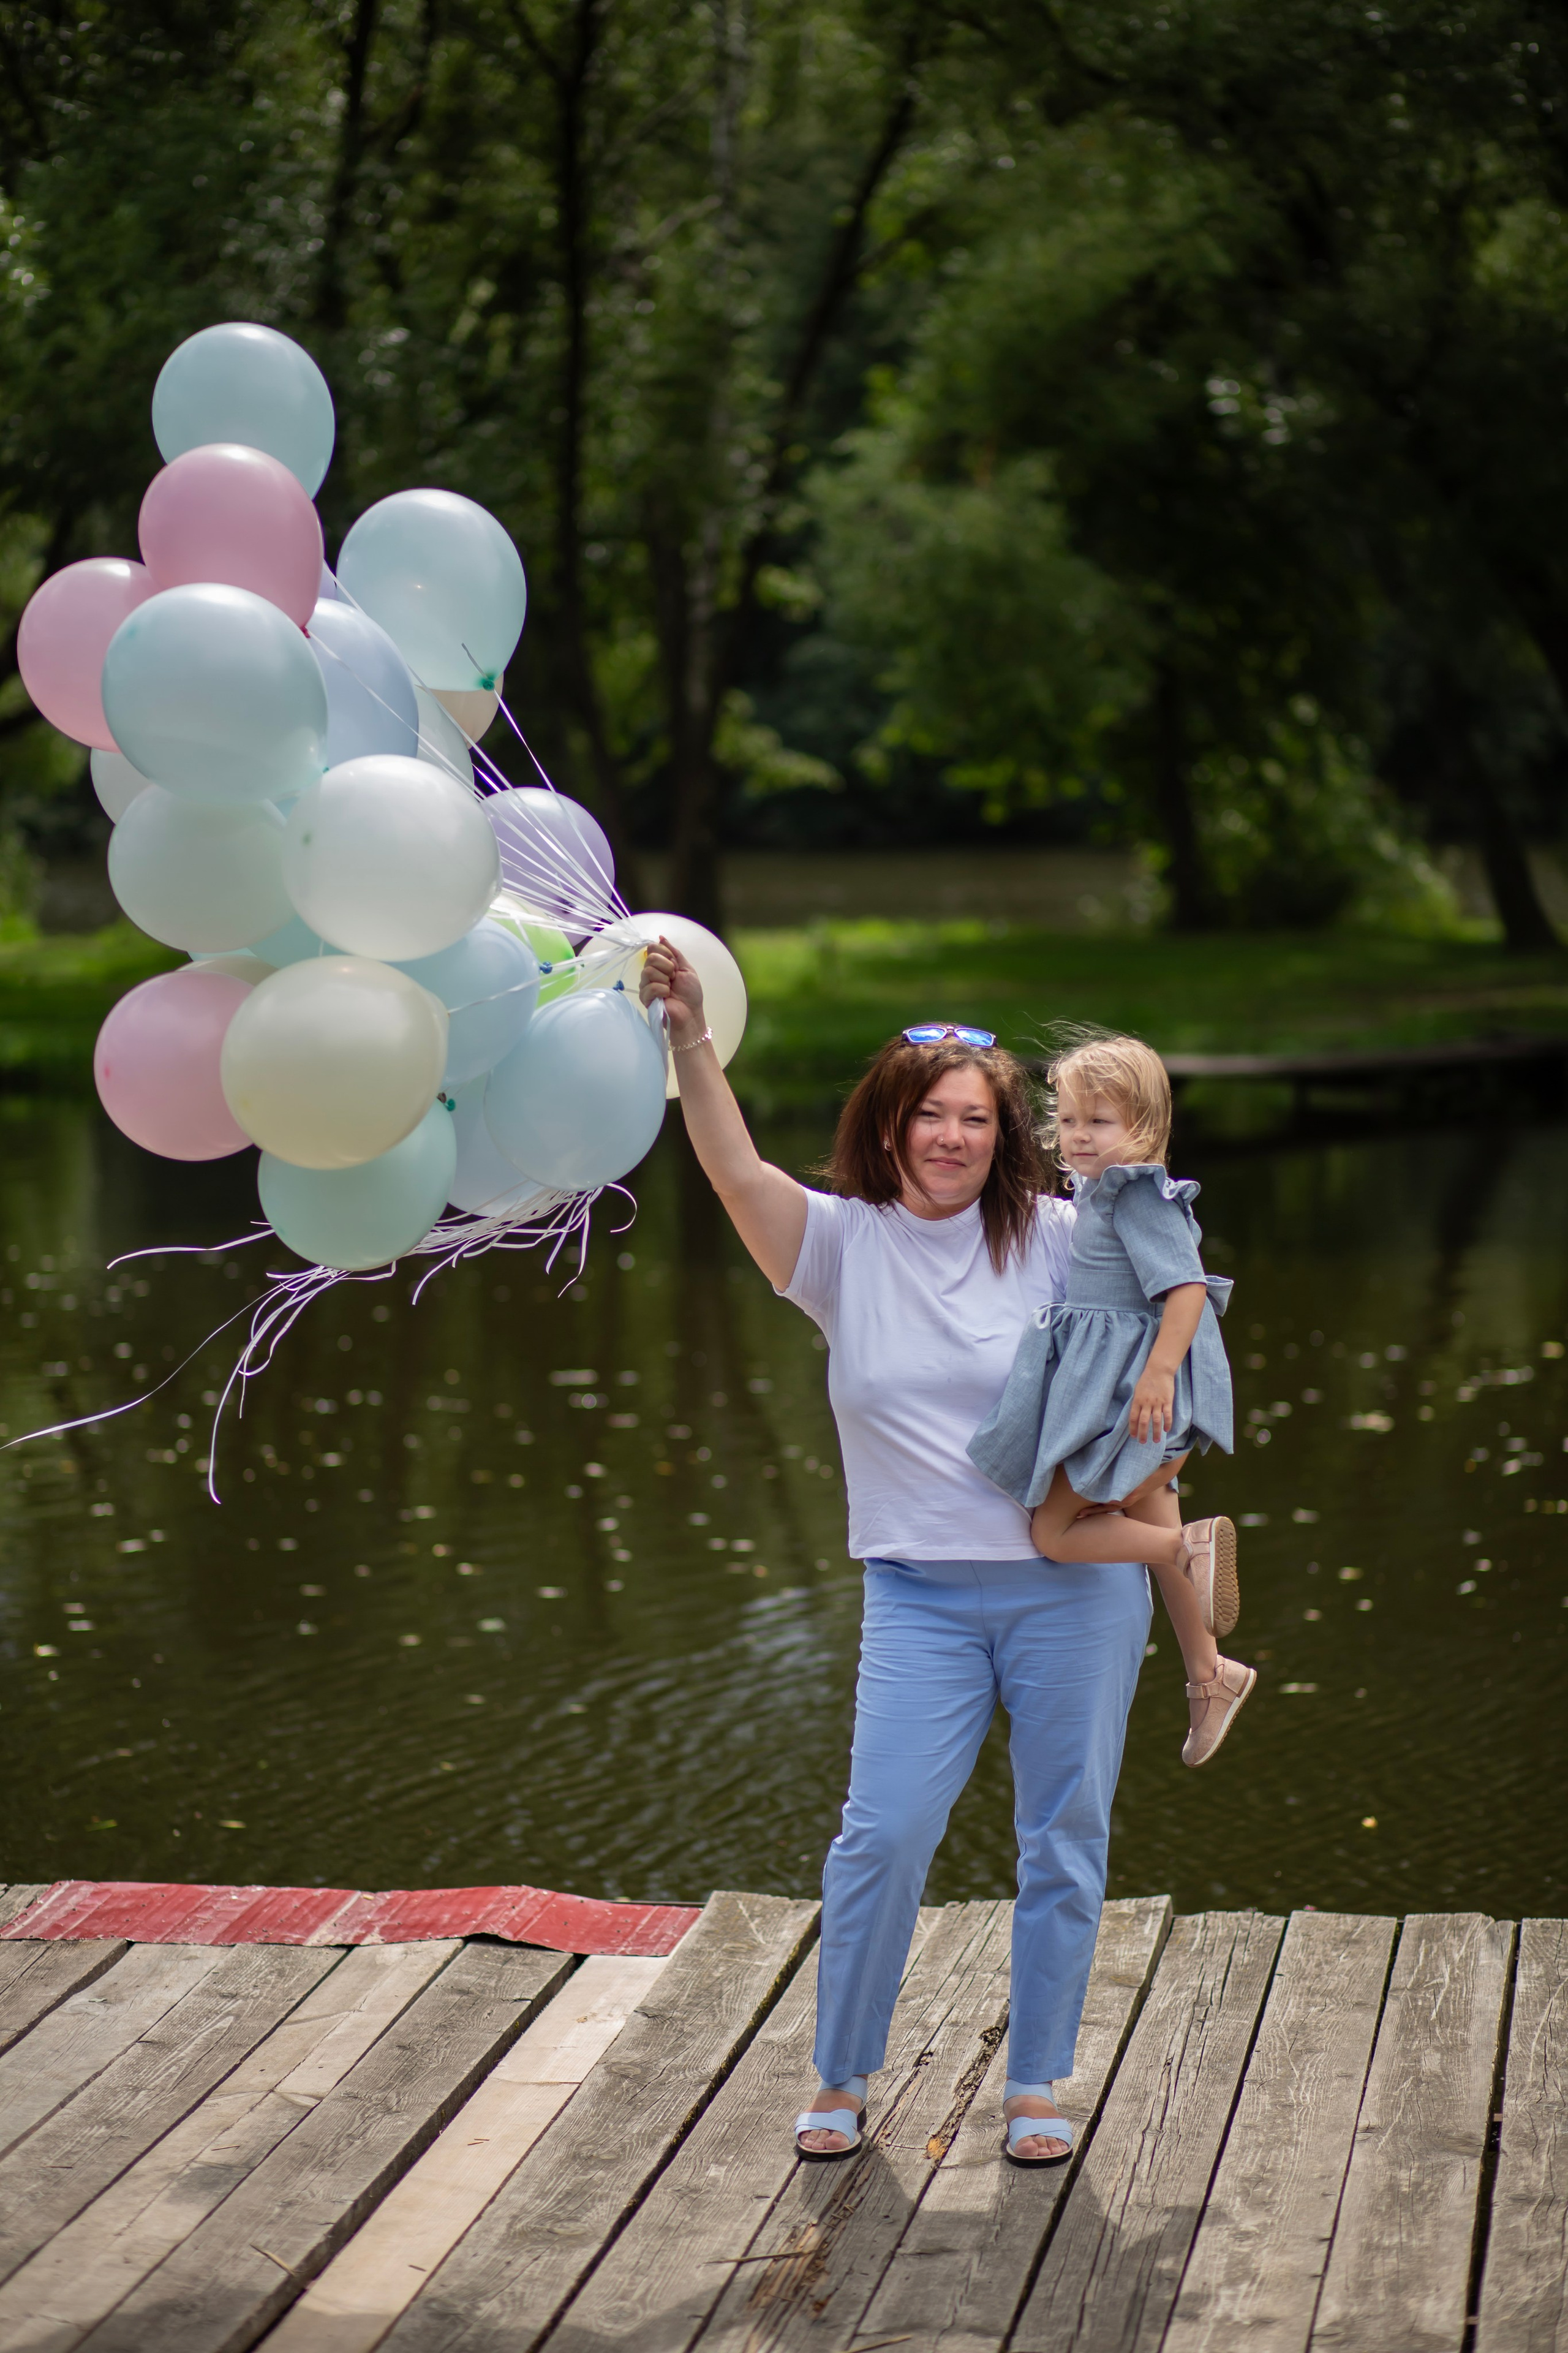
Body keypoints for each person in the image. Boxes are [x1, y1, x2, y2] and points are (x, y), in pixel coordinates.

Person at [639, 941, 1151, 2173]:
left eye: (976, 1118)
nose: (952, 1138)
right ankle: (840, 2072)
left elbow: (1168, 1277)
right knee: (881, 1833)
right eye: (929, 1115)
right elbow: (726, 1163)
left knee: (1061, 1839)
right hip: (918, 1596)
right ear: (889, 1123)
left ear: (1003, 1133)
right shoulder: (835, 1246)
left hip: (1075, 1590)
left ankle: (1035, 2080)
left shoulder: (1062, 1237)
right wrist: (688, 1036)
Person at [967, 1033, 1256, 1768]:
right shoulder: (1101, 1191)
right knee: (1155, 1503)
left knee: (1055, 1532)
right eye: (1066, 1121)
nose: (1077, 1136)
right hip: (1119, 1386)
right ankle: (1209, 1675)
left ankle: (1181, 1550)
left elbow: (1186, 1289)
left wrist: (1159, 1373)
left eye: (1098, 1122)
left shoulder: (1136, 1193)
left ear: (1145, 1126)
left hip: (1130, 1391)